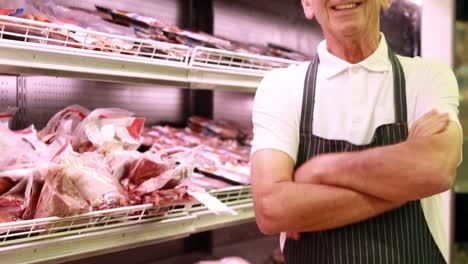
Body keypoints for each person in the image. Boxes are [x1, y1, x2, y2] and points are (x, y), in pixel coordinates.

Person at [250, 0, 463, 263]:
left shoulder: (427, 76)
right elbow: (271, 209)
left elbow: (437, 168)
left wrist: (319, 171)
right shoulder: (280, 87)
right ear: (307, 3)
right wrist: (404, 184)